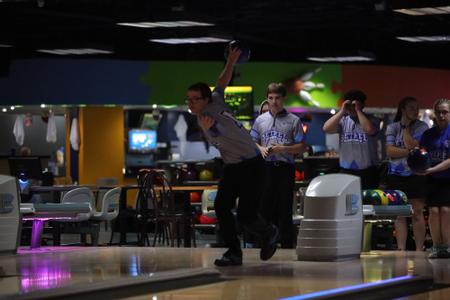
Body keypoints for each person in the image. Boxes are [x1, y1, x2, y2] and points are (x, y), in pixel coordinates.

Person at [186, 47, 279, 266]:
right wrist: (231, 61)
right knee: (221, 207)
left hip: (253, 167)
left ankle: (269, 232)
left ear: (205, 100)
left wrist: (205, 128)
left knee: (247, 215)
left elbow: (217, 134)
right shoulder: (215, 99)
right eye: (188, 99)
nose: (190, 103)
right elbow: (221, 82)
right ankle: (234, 253)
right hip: (233, 167)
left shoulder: (208, 117)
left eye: (195, 99)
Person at [251, 83, 306, 248]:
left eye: (277, 98)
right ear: (267, 99)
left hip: (285, 168)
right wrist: (260, 149)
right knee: (264, 207)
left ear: (284, 99)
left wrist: (283, 149)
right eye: (270, 98)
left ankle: (287, 245)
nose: (274, 102)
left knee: (284, 207)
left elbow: (302, 147)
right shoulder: (260, 120)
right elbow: (252, 141)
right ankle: (263, 244)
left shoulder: (294, 120)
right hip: (265, 168)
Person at [385, 97, 428, 251]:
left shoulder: (422, 127)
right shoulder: (392, 127)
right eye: (411, 108)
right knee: (400, 214)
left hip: (415, 174)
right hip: (396, 175)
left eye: (417, 108)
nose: (415, 111)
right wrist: (409, 151)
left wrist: (406, 128)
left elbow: (411, 144)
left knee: (417, 213)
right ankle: (401, 250)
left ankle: (418, 249)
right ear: (402, 109)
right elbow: (389, 151)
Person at [322, 89, 379, 189]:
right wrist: (342, 111)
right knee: (347, 202)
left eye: (355, 105)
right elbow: (326, 128)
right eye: (349, 106)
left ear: (362, 105)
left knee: (368, 202)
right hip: (346, 171)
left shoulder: (372, 119)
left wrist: (358, 110)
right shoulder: (343, 121)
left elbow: (369, 129)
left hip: (368, 172)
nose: (351, 108)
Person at [417, 98, 450, 258]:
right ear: (435, 114)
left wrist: (432, 169)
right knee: (434, 212)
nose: (442, 115)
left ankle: (448, 246)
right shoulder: (428, 134)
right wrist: (417, 167)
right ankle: (437, 247)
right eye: (439, 112)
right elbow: (421, 155)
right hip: (431, 179)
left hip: (447, 179)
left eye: (445, 112)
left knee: (445, 211)